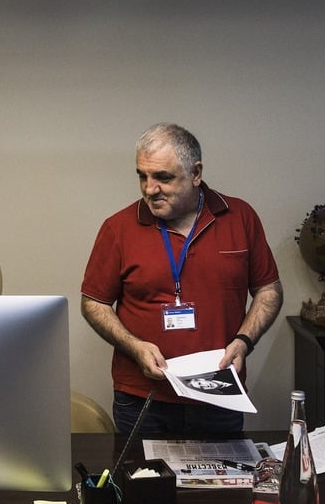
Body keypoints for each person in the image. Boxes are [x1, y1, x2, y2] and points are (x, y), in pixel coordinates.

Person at [80, 123, 283, 434]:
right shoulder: (118, 228)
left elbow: (268, 290)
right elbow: (94, 302)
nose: (150, 188)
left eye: (163, 177)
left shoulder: (240, 218)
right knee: (141, 482)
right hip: (143, 398)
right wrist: (135, 347)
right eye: (142, 176)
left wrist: (244, 342)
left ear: (195, 173)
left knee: (218, 484)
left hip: (218, 393)